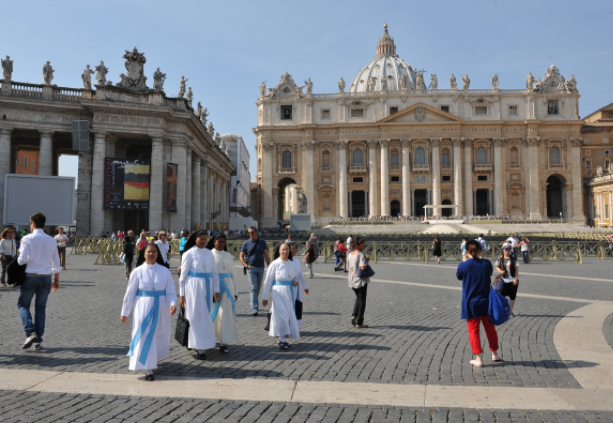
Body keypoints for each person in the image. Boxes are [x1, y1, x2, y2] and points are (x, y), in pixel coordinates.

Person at [120, 242, 177, 381]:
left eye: (154, 252)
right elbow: (130, 293)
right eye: (149, 252)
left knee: (158, 333)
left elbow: (170, 290)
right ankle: (148, 368)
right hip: (143, 307)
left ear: (157, 254)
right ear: (143, 254)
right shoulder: (137, 271)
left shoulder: (165, 271)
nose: (151, 254)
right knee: (145, 334)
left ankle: (153, 359)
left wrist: (173, 303)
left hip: (161, 306)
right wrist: (125, 311)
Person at [17, 212, 62, 350]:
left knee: (23, 305)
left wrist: (18, 257)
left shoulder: (27, 239)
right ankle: (38, 341)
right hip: (46, 277)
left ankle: (31, 332)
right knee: (40, 309)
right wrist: (56, 280)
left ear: (33, 224)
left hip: (30, 276)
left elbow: (22, 260)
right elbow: (56, 262)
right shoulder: (51, 240)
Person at [456, 240, 502, 367]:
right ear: (480, 250)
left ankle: (478, 359)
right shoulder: (486, 263)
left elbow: (459, 276)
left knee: (473, 330)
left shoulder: (463, 265)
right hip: (486, 300)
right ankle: (495, 354)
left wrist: (466, 261)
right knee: (490, 329)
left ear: (466, 251)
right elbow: (489, 272)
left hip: (470, 302)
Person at [179, 230, 220, 360]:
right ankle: (198, 347)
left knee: (205, 315)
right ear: (195, 239)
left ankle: (205, 342)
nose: (203, 241)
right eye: (200, 239)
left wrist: (216, 290)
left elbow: (214, 273)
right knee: (194, 315)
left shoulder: (209, 253)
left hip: (207, 287)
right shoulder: (188, 254)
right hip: (193, 287)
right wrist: (182, 294)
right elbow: (183, 276)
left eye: (205, 239)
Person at [262, 243, 300, 349]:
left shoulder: (292, 264)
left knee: (286, 314)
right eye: (283, 249)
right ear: (279, 251)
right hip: (277, 292)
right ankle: (282, 340)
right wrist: (265, 297)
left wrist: (296, 281)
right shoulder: (274, 264)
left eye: (287, 249)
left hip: (289, 292)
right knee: (282, 314)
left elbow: (295, 277)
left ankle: (281, 337)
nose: (285, 251)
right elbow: (268, 281)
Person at [206, 233, 239, 353]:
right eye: (219, 241)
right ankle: (210, 338)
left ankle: (223, 342)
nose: (221, 244)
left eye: (223, 242)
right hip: (214, 286)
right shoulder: (209, 254)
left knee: (225, 314)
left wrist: (235, 291)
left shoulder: (229, 255)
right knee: (213, 312)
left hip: (228, 286)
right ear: (214, 242)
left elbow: (234, 273)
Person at [239, 227, 271, 316]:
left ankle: (255, 304)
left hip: (261, 268)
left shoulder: (262, 242)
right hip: (251, 268)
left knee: (258, 288)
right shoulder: (245, 243)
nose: (251, 234)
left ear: (256, 232)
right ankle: (254, 307)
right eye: (249, 233)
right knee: (253, 287)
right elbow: (241, 256)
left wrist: (270, 267)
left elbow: (266, 255)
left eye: (252, 232)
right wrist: (246, 266)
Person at [348, 237, 370, 329]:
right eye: (362, 244)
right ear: (358, 245)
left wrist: (350, 283)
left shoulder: (350, 254)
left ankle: (354, 315)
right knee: (362, 300)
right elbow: (363, 268)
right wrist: (367, 261)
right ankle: (359, 322)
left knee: (358, 298)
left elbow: (349, 269)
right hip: (361, 280)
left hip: (352, 279)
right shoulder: (360, 254)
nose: (364, 245)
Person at [288, 241, 309, 328]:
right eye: (292, 249)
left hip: (296, 289)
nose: (294, 250)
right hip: (286, 288)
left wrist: (305, 287)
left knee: (296, 306)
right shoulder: (283, 261)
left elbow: (300, 275)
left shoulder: (296, 261)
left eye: (295, 248)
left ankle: (293, 325)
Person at [496, 245, 520, 317]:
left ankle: (510, 311)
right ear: (503, 249)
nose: (507, 251)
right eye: (506, 249)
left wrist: (516, 279)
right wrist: (500, 271)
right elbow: (497, 267)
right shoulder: (500, 258)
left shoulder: (514, 258)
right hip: (503, 280)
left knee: (512, 296)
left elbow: (516, 269)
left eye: (509, 249)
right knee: (502, 296)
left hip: (512, 280)